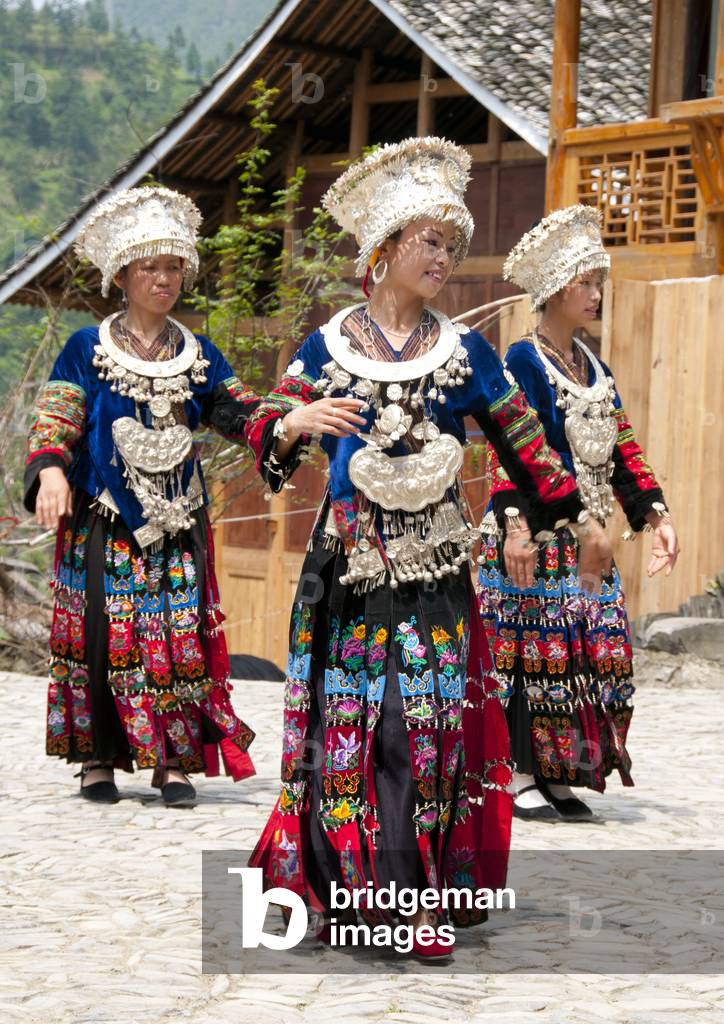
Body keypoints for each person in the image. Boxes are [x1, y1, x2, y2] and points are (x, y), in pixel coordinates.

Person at [245, 140, 611, 959]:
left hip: (437, 579)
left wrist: (584, 518)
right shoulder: (326, 346)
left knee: (422, 730)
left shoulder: (467, 353)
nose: (444, 258)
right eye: (430, 242)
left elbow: (528, 445)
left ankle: (413, 898)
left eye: (452, 244)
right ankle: (346, 887)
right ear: (383, 249)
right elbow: (269, 424)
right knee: (353, 729)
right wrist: (295, 421)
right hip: (348, 576)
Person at [25, 186, 261, 806]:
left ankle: (172, 761)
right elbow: (57, 416)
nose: (164, 279)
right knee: (104, 632)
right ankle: (98, 756)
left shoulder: (199, 353)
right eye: (151, 267)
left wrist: (288, 422)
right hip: (104, 517)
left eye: (174, 267)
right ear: (123, 276)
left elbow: (240, 412)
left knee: (176, 634)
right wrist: (50, 471)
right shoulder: (87, 347)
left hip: (177, 519)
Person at [478, 205, 679, 822]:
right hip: (537, 536)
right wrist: (517, 528)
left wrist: (656, 516)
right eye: (585, 283)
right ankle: (517, 772)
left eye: (598, 283)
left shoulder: (594, 368)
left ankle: (556, 770)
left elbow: (623, 450)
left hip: (591, 542)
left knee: (585, 655)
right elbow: (511, 452)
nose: (595, 294)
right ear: (554, 287)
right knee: (528, 654)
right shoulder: (522, 361)